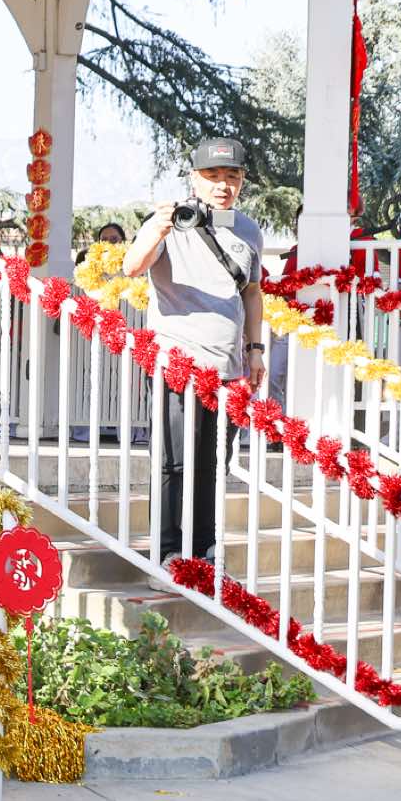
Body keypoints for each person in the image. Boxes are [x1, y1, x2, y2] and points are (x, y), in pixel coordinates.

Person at [124, 136, 266, 566]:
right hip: (176, 363)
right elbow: (132, 267)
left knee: (213, 463)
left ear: (242, 181)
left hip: (228, 368)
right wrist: (158, 228)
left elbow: (252, 292)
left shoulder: (248, 230)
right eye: (212, 175)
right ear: (194, 179)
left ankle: (204, 548)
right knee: (174, 461)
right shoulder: (170, 221)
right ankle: (167, 550)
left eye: (232, 176)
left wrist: (255, 349)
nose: (223, 185)